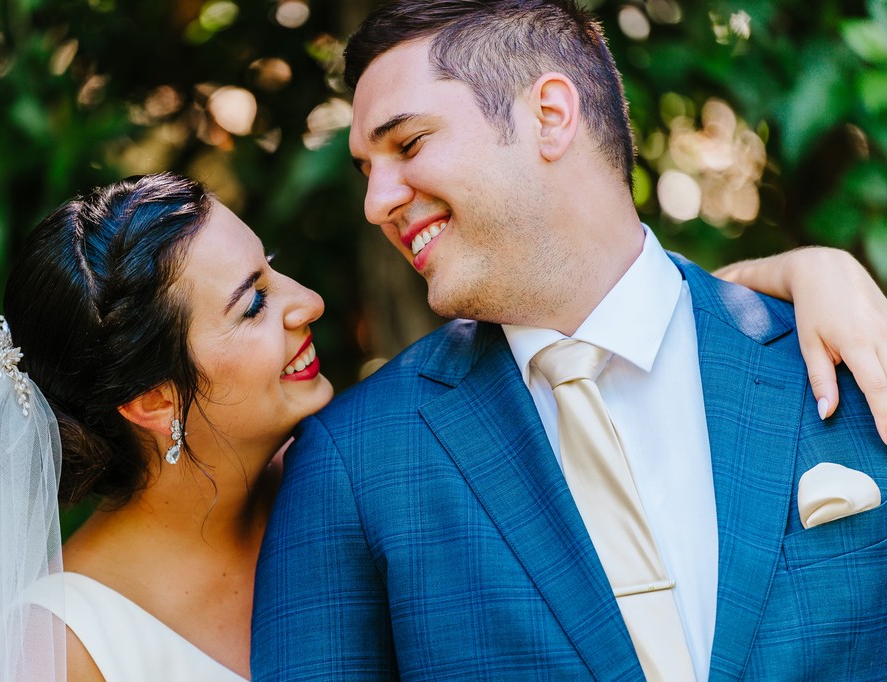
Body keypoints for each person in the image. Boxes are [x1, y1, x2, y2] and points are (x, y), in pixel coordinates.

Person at [250, 2, 887, 680]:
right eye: (365, 170)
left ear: (550, 115)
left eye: (406, 144)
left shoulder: (841, 356)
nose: (377, 202)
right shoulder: (354, 462)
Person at [0, 173, 333, 681]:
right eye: (254, 304)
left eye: (272, 268)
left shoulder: (336, 477)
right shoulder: (63, 651)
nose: (309, 301)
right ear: (154, 401)